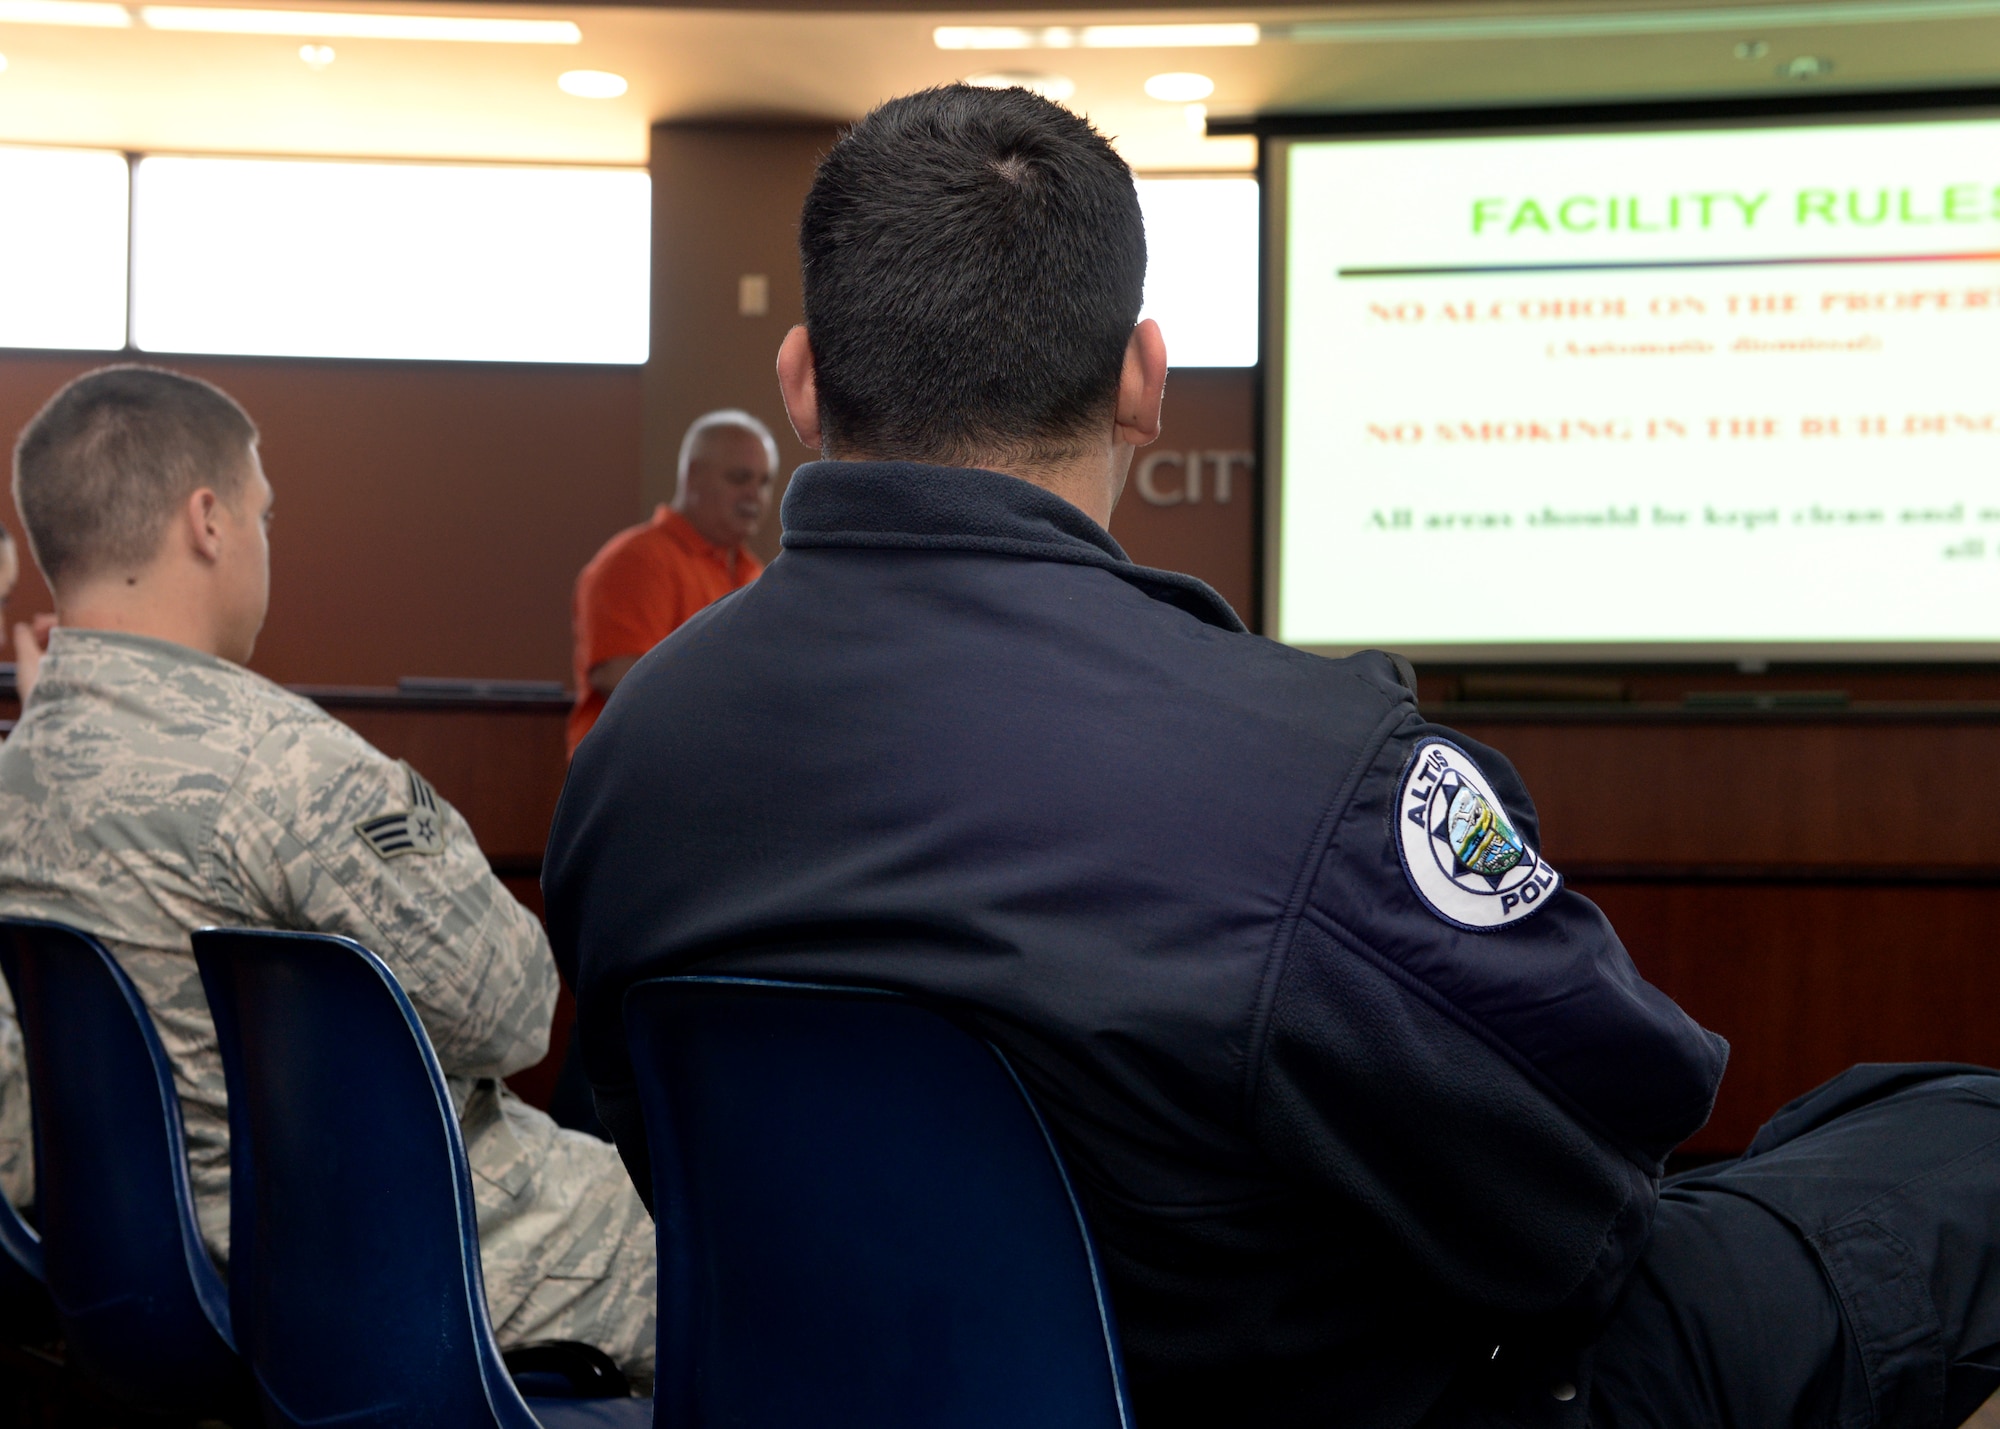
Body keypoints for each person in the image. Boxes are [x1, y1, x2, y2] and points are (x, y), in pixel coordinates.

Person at [546, 85, 2000, 1429]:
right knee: (1958, 1143)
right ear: (1143, 379)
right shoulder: (1308, 771)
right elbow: (1589, 1183)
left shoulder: (634, 759)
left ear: (802, 381)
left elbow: (642, 1144)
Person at [0, 366, 655, 1377]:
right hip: (389, 1259)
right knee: (766, 1257)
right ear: (208, 521)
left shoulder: (17, 781)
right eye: (265, 513)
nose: (266, 542)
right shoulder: (287, 768)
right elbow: (516, 1011)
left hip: (132, 1283)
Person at [566, 410, 776, 755]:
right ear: (692, 476)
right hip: (636, 781)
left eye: (764, 481)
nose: (755, 494)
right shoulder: (637, 559)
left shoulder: (754, 574)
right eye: (740, 478)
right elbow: (620, 677)